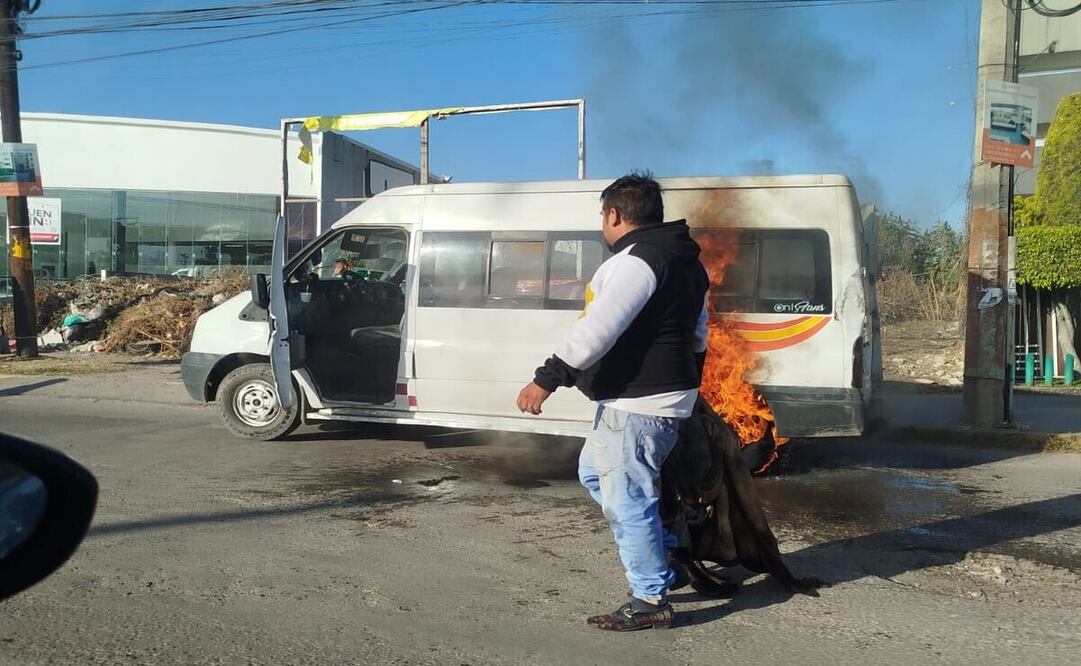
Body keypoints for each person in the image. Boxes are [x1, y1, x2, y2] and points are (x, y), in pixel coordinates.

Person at [516, 172, 709, 631]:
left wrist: (546, 379)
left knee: (628, 499)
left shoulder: (636, 260)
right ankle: (664, 557)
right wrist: (689, 385)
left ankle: (650, 599)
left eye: (602, 216)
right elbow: (699, 333)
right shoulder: (687, 262)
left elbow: (596, 330)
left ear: (614, 214)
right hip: (660, 397)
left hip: (639, 403)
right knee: (594, 473)